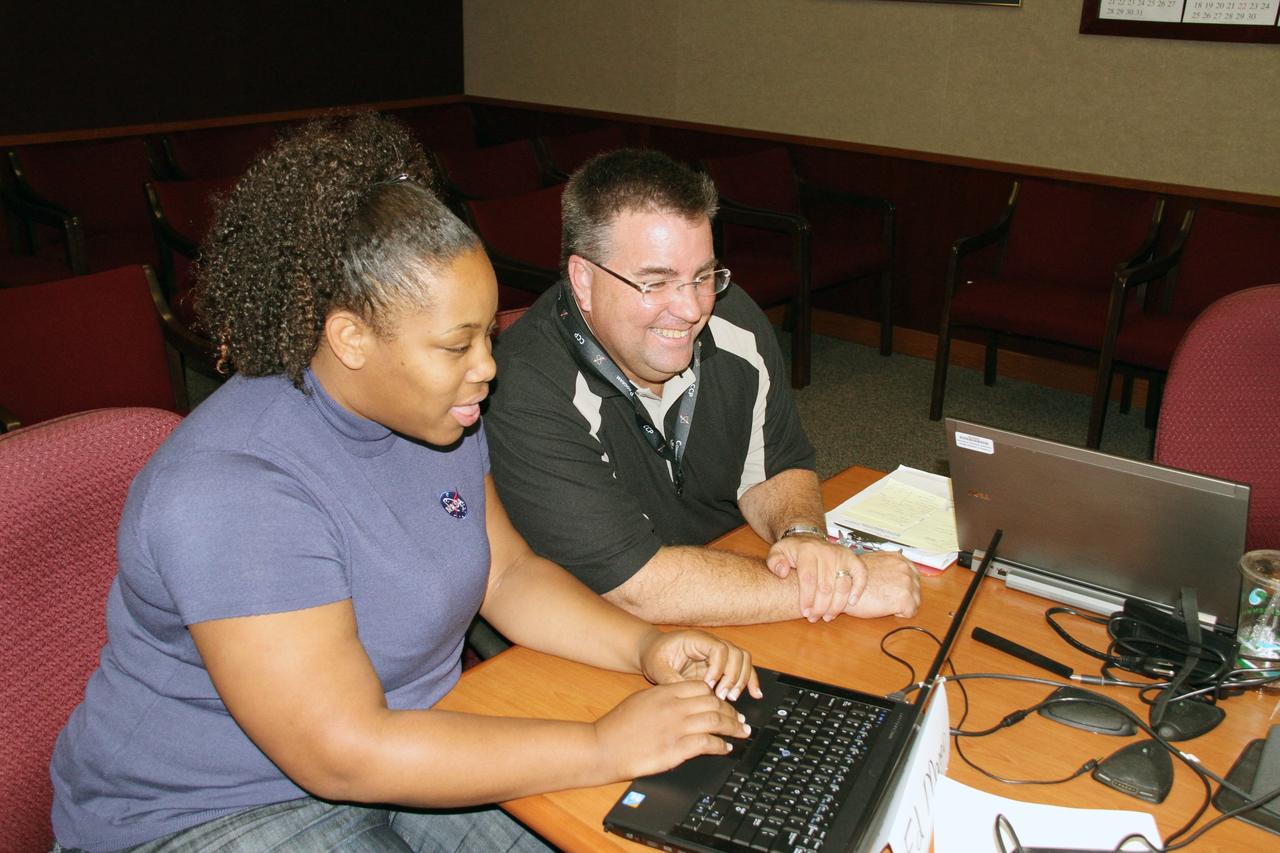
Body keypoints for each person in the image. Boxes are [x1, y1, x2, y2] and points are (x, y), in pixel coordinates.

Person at [49, 116, 761, 853]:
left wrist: (645, 645)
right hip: (211, 808)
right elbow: (343, 753)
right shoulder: (235, 490)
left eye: (487, 334)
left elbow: (508, 574)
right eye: (457, 345)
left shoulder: (441, 415)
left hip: (412, 735)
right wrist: (601, 745)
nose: (487, 367)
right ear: (350, 337)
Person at [484, 149, 920, 627]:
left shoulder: (735, 320)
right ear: (583, 280)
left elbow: (773, 467)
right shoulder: (524, 387)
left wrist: (803, 536)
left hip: (726, 586)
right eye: (656, 282)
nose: (692, 310)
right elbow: (635, 586)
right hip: (598, 627)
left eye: (703, 276)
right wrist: (837, 589)